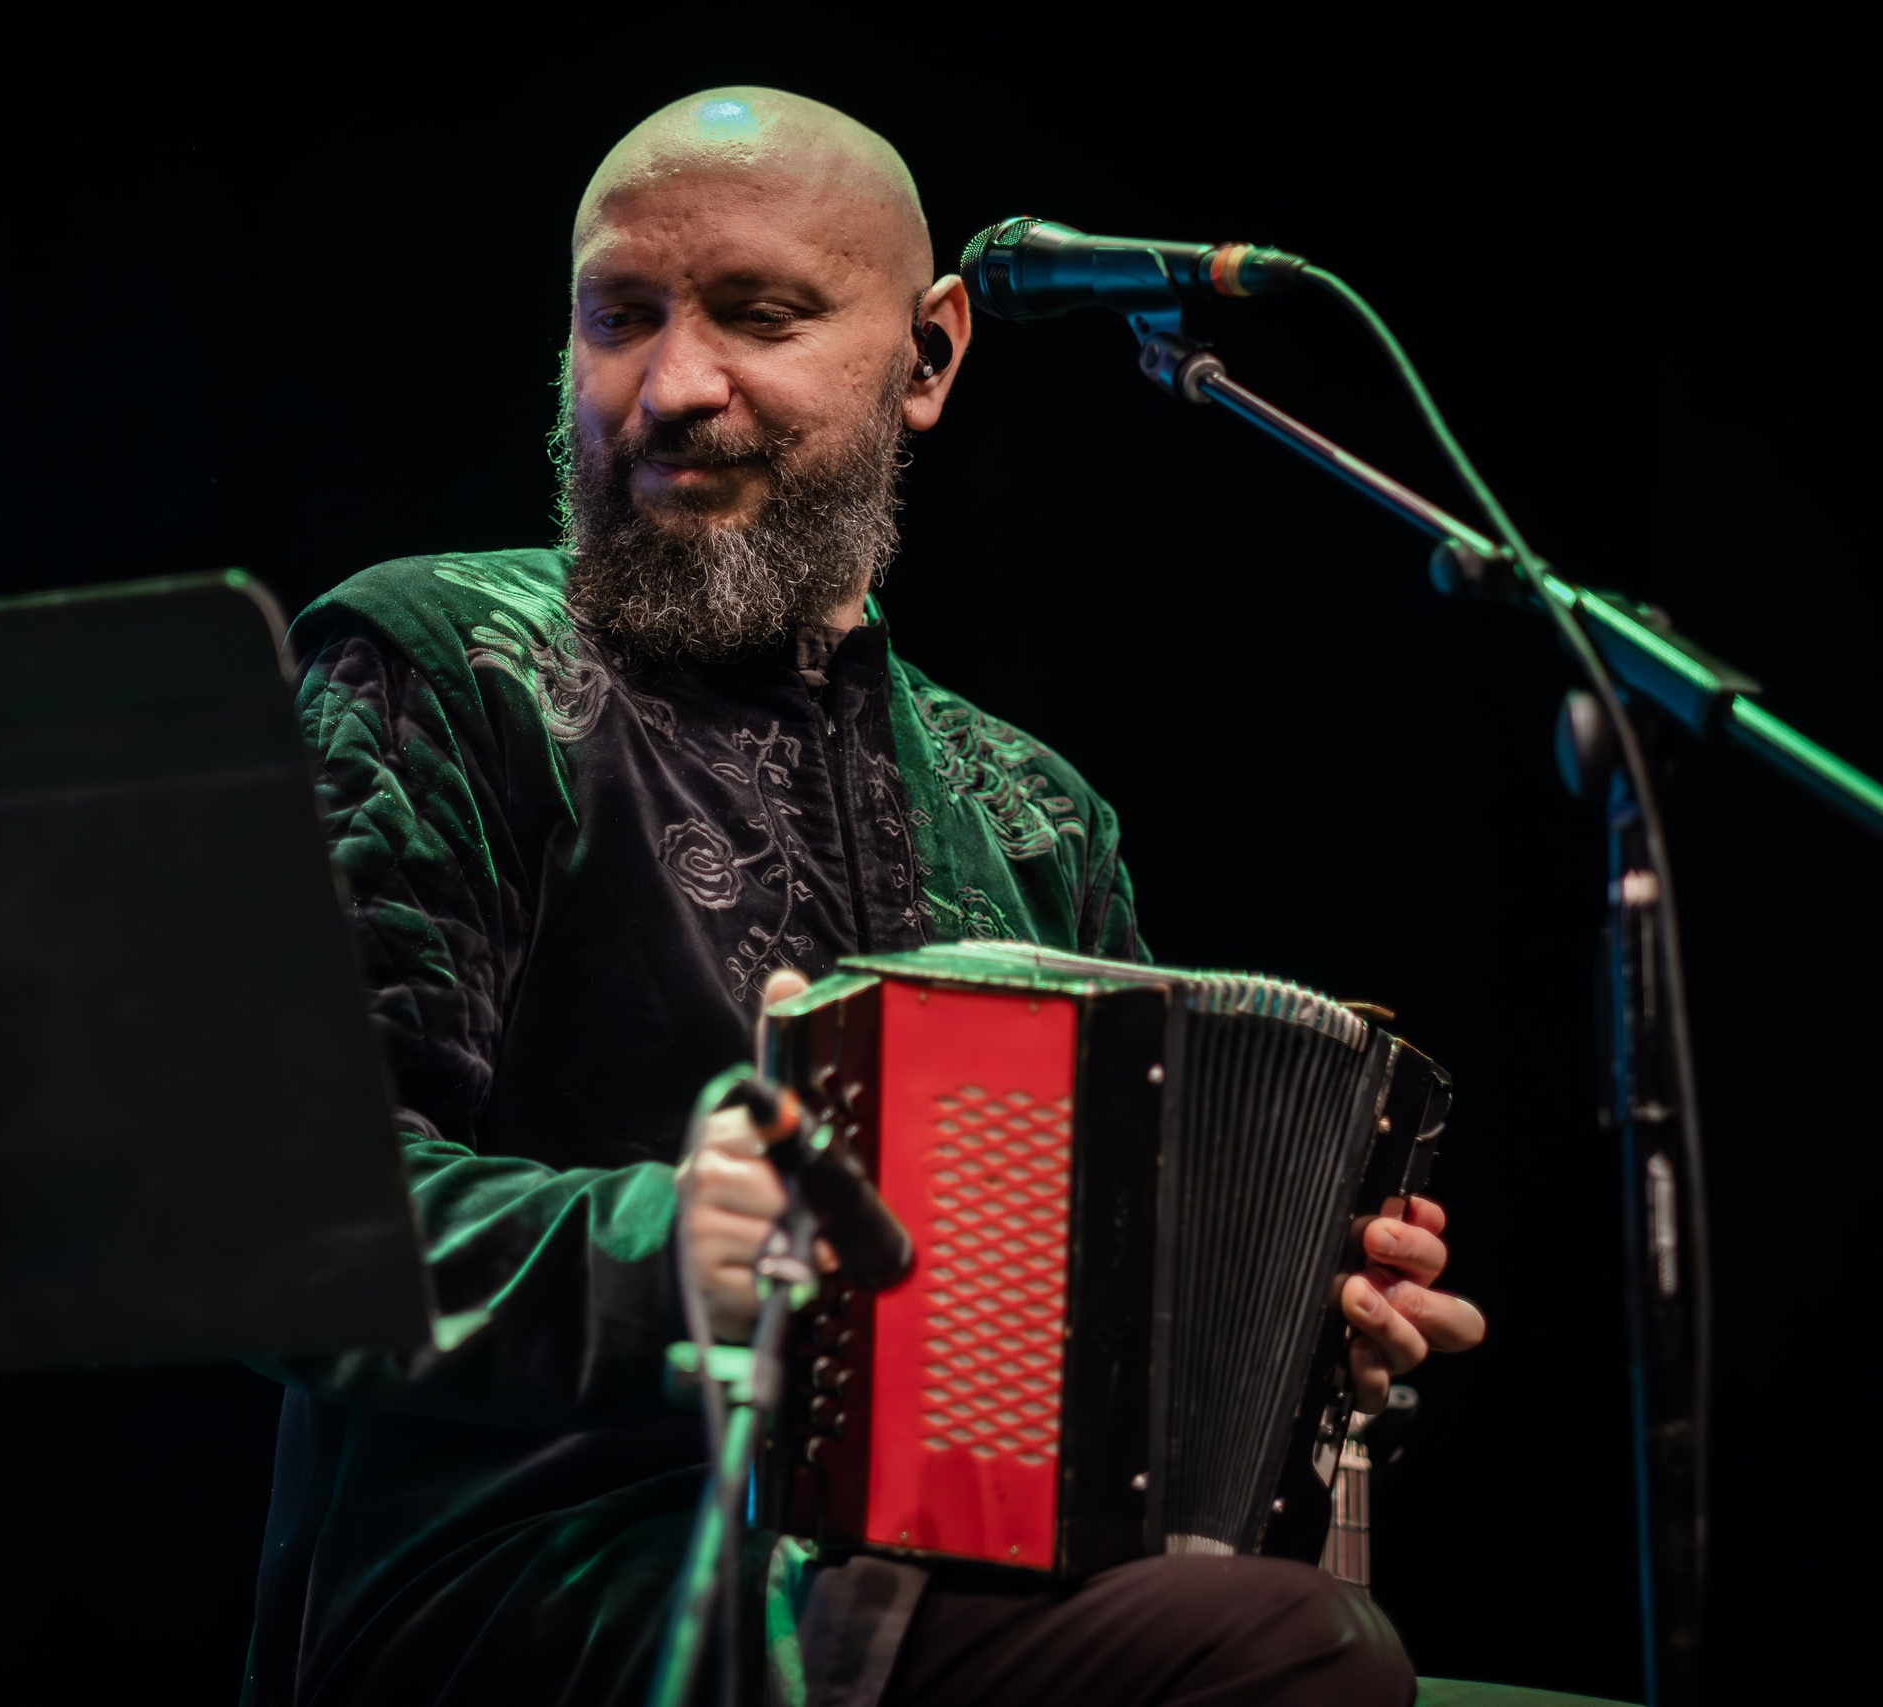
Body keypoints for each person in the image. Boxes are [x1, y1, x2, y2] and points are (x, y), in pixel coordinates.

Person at [244, 87, 1485, 1707]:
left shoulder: (1036, 818)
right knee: (1297, 1652)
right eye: (619, 318)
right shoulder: (436, 664)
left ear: (930, 356)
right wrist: (660, 1247)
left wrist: (1314, 1341)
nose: (672, 387)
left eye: (758, 316)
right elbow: (279, 1223)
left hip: (949, 1582)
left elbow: (1110, 1346)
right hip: (529, 1576)